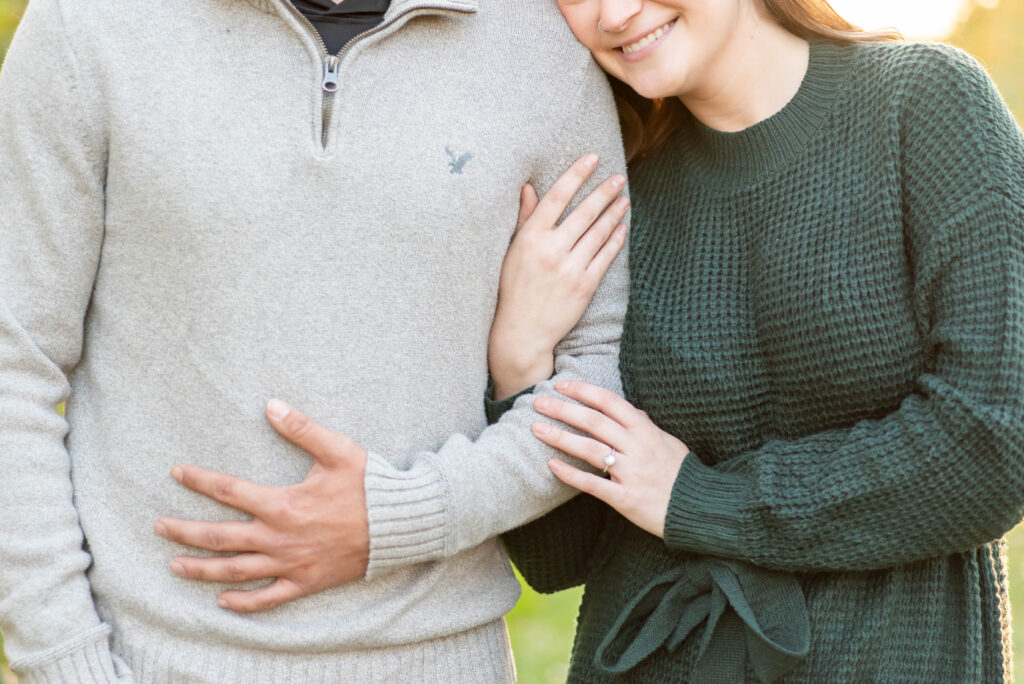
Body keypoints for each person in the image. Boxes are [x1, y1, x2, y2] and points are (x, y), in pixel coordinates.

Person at [0, 0, 631, 681]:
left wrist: (408, 514)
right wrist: (68, 662)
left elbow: (595, 375)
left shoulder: (540, 44)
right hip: (146, 660)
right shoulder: (87, 24)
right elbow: (14, 362)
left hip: (441, 659)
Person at [485, 0, 1024, 681]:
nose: (615, 13)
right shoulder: (610, 189)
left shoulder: (923, 103)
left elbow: (994, 443)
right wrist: (518, 360)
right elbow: (558, 557)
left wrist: (699, 501)